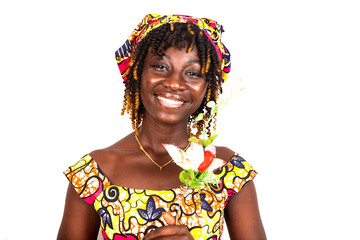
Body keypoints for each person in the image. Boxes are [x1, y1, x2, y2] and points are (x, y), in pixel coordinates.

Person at [58, 13, 266, 240]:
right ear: (136, 73)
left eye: (193, 73)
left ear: (208, 87)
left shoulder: (227, 170)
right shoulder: (95, 172)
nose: (175, 83)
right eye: (160, 66)